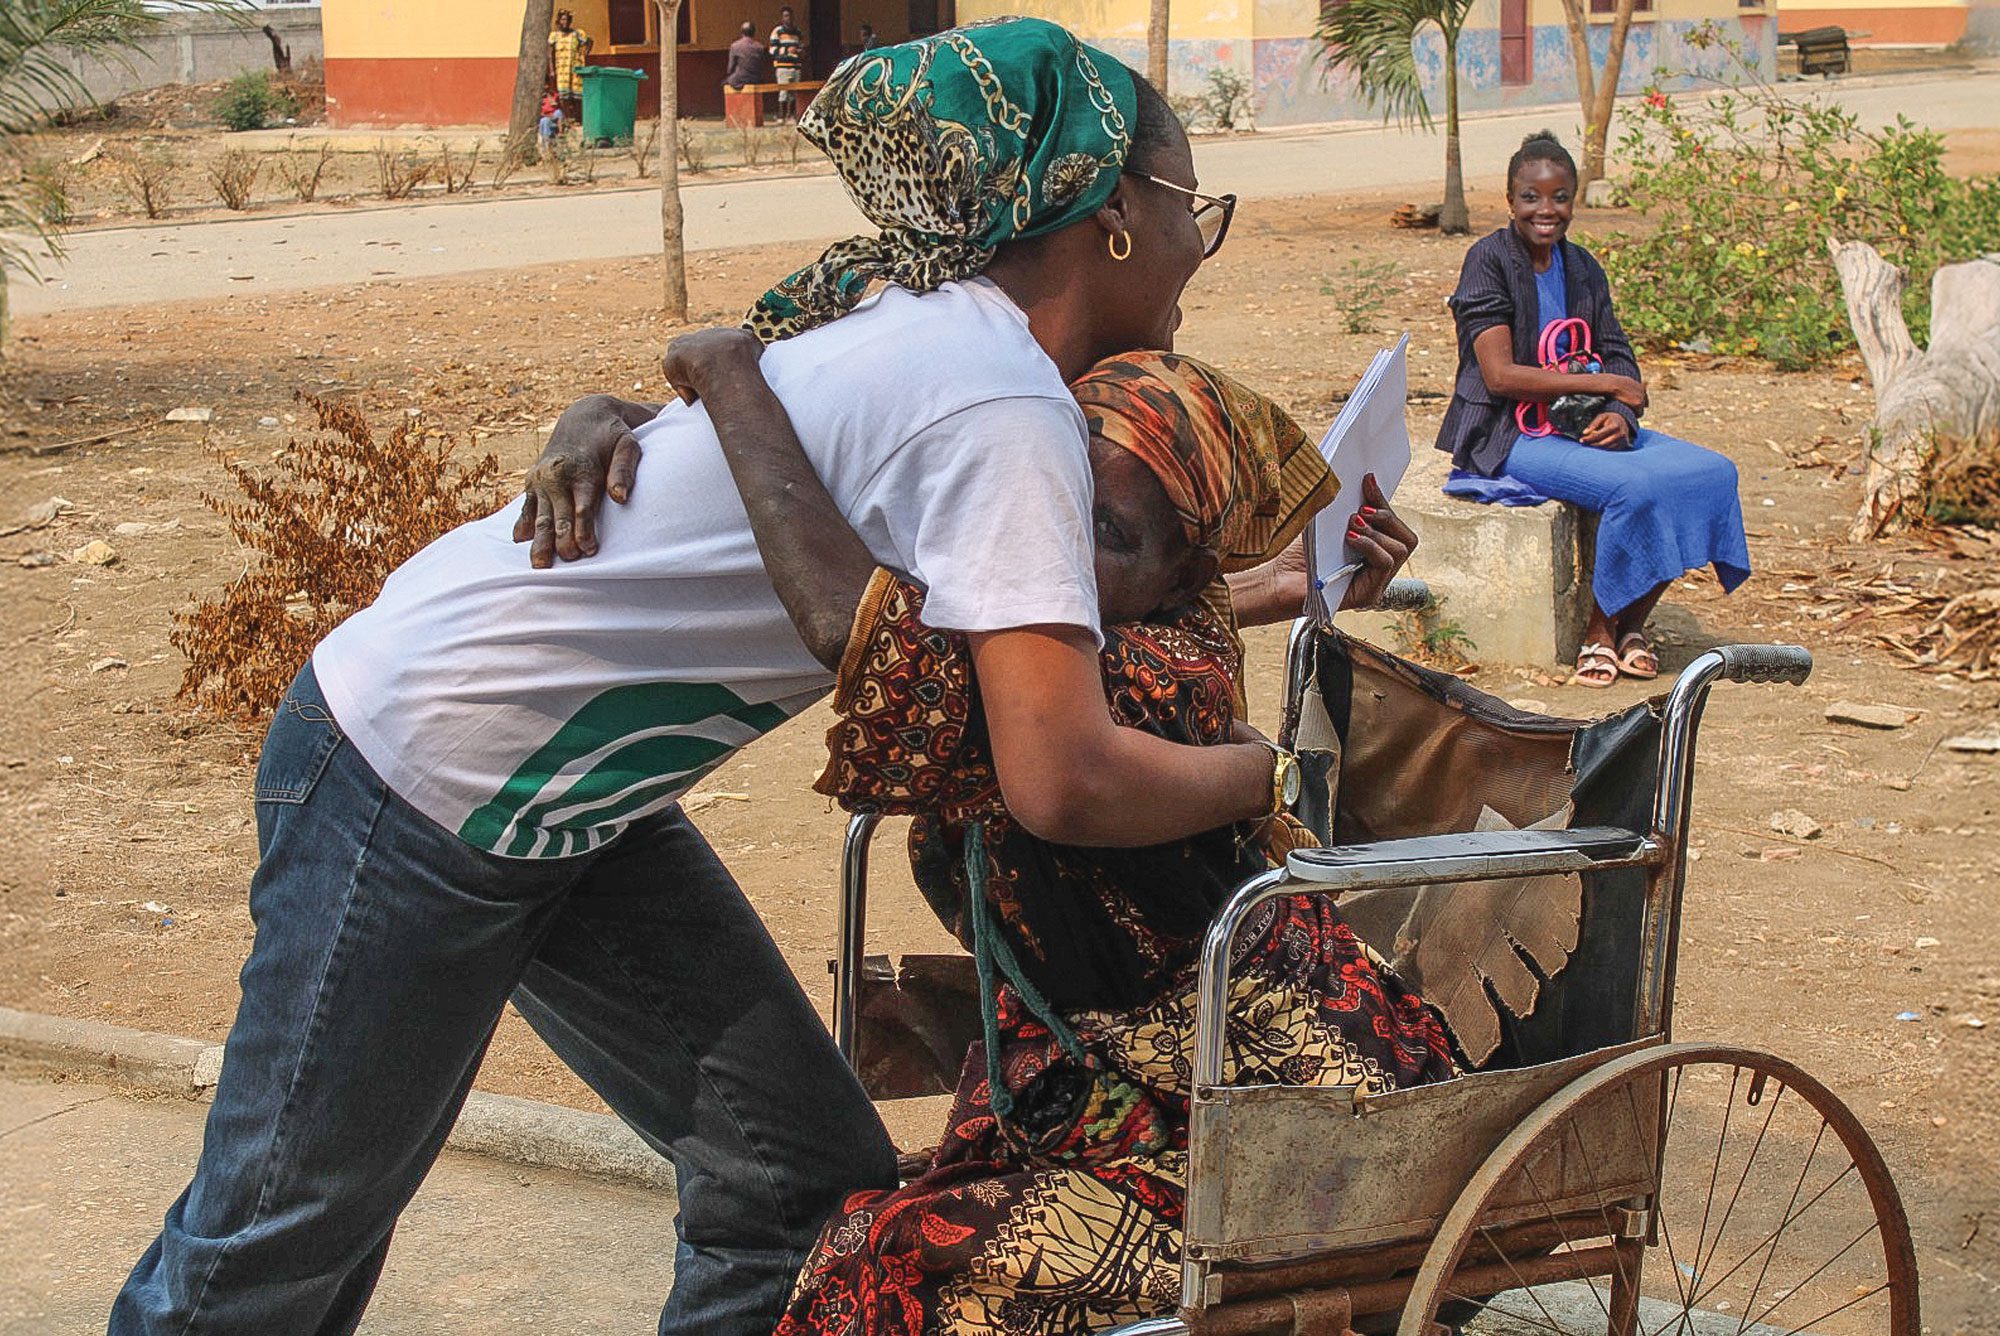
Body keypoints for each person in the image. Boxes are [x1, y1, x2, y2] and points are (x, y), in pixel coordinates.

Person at [111, 22, 1285, 1336]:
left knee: (792, 1184)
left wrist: (1254, 592)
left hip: (569, 800)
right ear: (1113, 213)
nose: (1196, 246)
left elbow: (986, 624)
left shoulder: (927, 337)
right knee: (273, 1247)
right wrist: (1262, 775)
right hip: (421, 773)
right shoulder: (1001, 405)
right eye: (1193, 209)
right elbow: (1061, 779)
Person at [647, 331, 1451, 1334]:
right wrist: (624, 427)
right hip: (1123, 1089)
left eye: (1104, 531)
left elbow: (845, 618)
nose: (1055, 546)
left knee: (880, 1258)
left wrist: (728, 372)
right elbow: (1080, 599)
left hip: (1286, 1129)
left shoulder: (1125, 690)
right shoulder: (1135, 626)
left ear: (1182, 574)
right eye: (1048, 504)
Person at [1437, 131, 1750, 687]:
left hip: (1580, 428)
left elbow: (1619, 354)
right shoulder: (1488, 260)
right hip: (1513, 434)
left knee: (1713, 473)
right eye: (1531, 197)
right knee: (1636, 489)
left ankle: (1633, 624)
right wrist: (1607, 383)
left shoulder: (1582, 267)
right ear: (1509, 200)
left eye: (1560, 198)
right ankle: (1600, 632)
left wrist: (1620, 416)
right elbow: (1500, 375)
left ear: (1573, 201)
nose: (1546, 210)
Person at [547, 9, 592, 121]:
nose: (565, 22)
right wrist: (552, 70)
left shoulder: (577, 34)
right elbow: (550, 54)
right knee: (563, 95)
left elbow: (590, 42)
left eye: (567, 20)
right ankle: (567, 119)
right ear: (559, 21)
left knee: (577, 95)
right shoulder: (554, 36)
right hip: (561, 69)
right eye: (563, 19)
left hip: (576, 69)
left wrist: (584, 53)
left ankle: (578, 118)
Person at [769, 5, 806, 120]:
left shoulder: (798, 32)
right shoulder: (777, 32)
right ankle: (782, 116)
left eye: (790, 16)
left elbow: (801, 47)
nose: (788, 18)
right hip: (782, 66)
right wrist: (787, 50)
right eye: (785, 16)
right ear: (782, 18)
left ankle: (791, 116)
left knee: (794, 92)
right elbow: (772, 50)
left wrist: (800, 51)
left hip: (796, 66)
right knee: (783, 92)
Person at [726, 20, 772, 90]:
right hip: (756, 79)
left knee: (725, 82)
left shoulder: (735, 46)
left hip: (740, 79)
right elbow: (762, 66)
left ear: (742, 33)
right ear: (754, 33)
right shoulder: (760, 47)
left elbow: (730, 69)